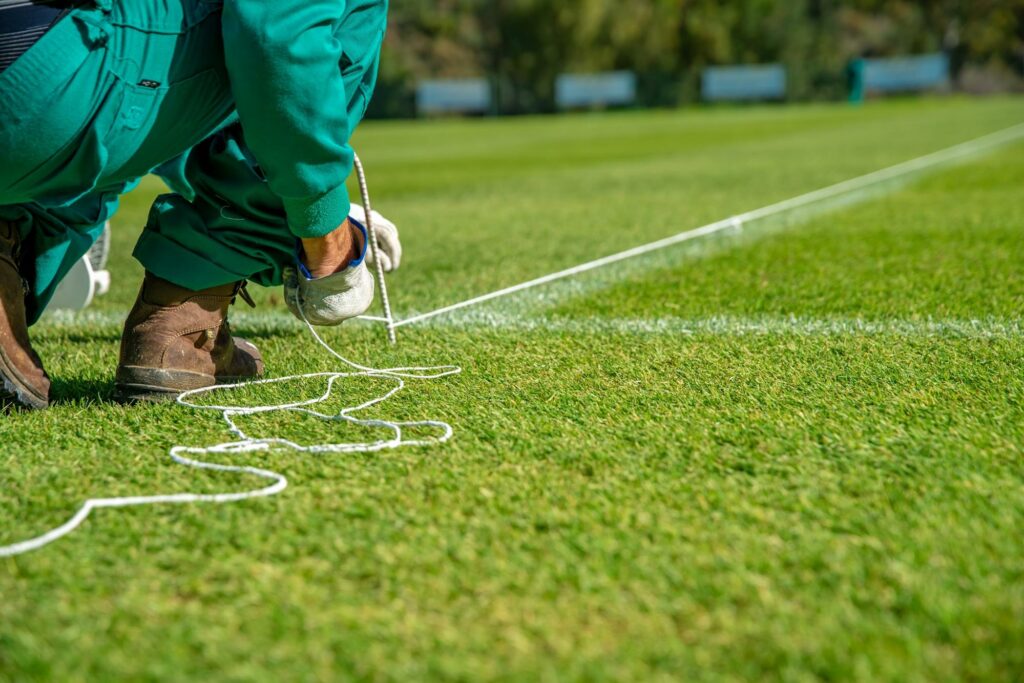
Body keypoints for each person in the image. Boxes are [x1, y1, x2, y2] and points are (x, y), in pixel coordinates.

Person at [0, 0, 398, 410]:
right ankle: (182, 315)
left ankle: (7, 245)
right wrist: (325, 229)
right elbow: (277, 36)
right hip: (41, 80)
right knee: (343, 14)